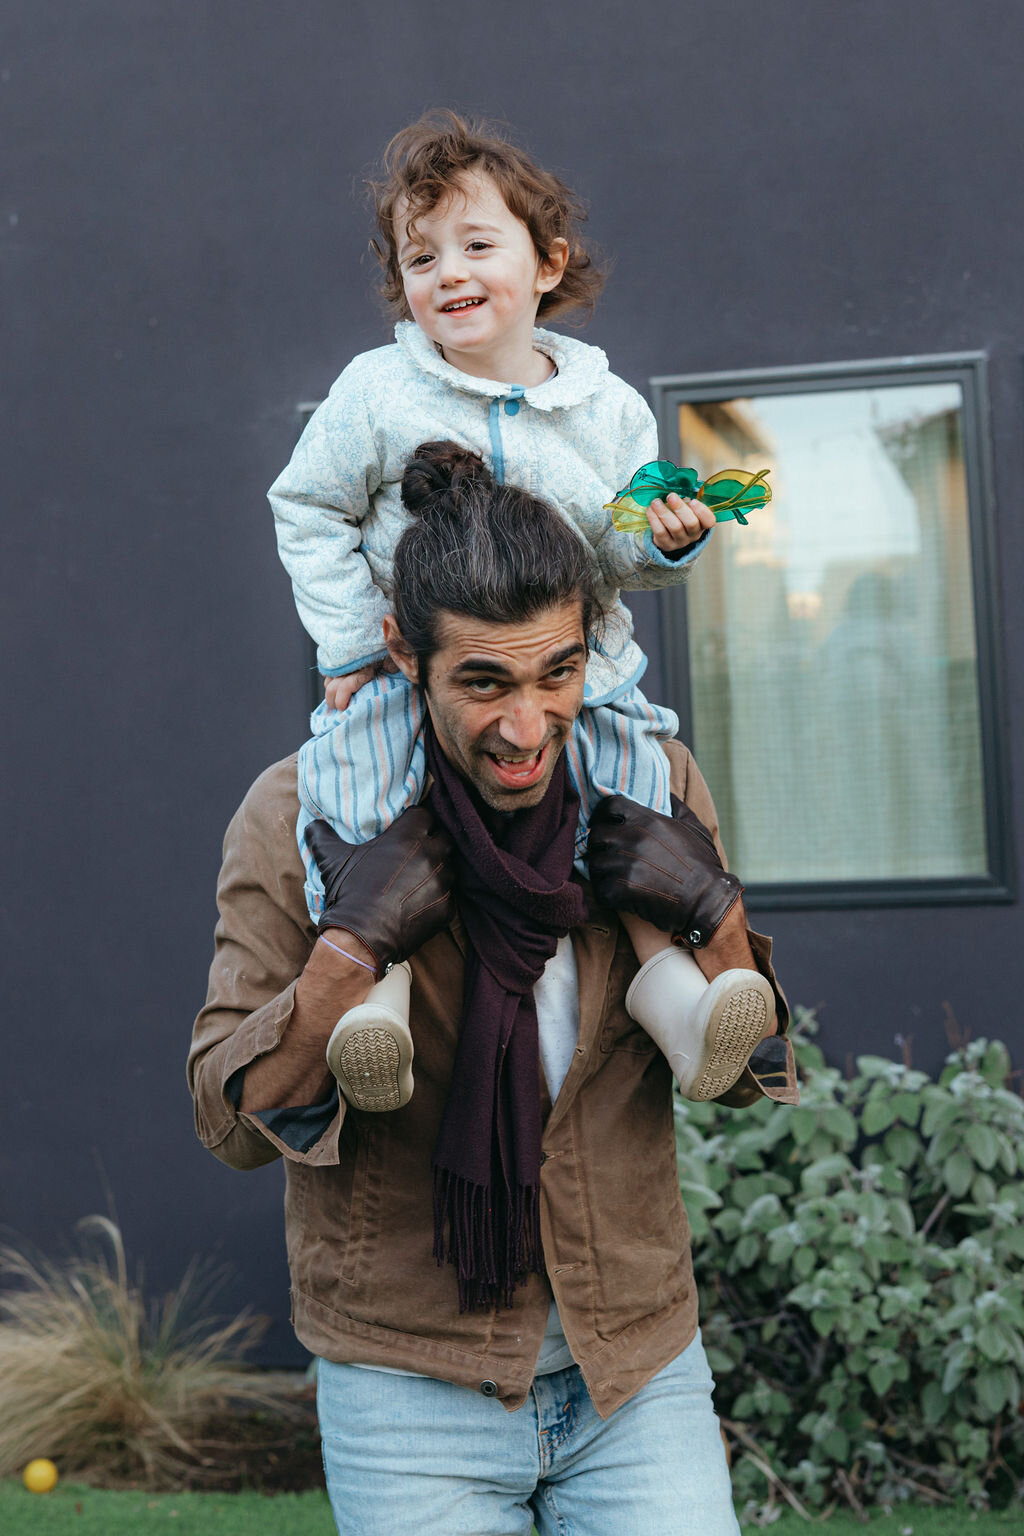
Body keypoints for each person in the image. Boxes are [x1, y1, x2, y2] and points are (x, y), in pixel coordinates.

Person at [190, 446, 796, 1535]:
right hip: (407, 1382)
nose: (525, 728)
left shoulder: (643, 780)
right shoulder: (304, 813)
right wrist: (352, 946)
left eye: (555, 674)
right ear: (403, 655)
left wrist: (715, 910)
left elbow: (749, 1070)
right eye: (483, 682)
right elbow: (230, 1121)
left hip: (635, 1363)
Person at [268, 111, 773, 1110]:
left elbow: (622, 550)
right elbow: (306, 505)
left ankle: (676, 999)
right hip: (412, 667)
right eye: (421, 255)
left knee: (632, 803)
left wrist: (664, 539)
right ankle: (379, 995)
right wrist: (346, 641)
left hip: (581, 664)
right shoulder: (378, 392)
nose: (447, 270)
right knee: (362, 793)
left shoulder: (606, 408)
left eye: (476, 243)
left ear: (549, 263)